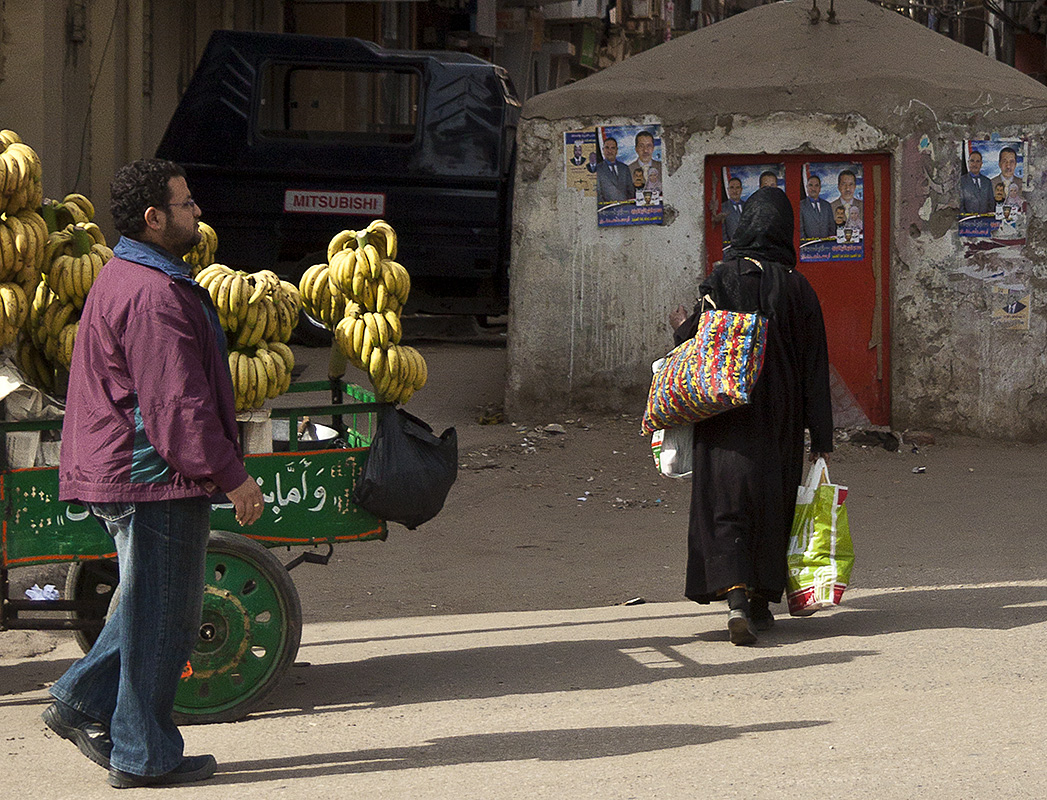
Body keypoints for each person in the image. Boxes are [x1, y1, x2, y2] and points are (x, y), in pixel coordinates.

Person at [43, 159, 265, 788]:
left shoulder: (130, 276)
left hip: (139, 472)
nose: (196, 213)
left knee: (148, 606)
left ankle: (108, 724)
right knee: (161, 615)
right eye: (186, 203)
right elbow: (176, 410)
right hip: (151, 475)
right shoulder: (151, 294)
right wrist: (232, 475)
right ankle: (128, 741)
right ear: (154, 218)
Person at [668, 187, 833, 645]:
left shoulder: (721, 279)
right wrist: (820, 432)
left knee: (726, 501)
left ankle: (736, 598)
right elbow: (815, 364)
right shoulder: (799, 289)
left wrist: (680, 325)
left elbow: (695, 346)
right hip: (778, 416)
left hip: (724, 414)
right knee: (771, 501)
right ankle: (761, 602)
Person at [595, 137, 633, 203]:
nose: (610, 151)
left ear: (617, 150)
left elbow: (631, 191)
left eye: (613, 148)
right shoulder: (597, 169)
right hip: (606, 209)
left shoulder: (625, 168)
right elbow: (598, 193)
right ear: (603, 149)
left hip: (625, 209)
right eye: (607, 148)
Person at [799, 174, 835, 239]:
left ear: (820, 188)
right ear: (806, 187)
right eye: (810, 185)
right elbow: (800, 228)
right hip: (808, 246)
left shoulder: (827, 205)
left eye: (816, 185)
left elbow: (832, 227)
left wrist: (828, 242)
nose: (813, 188)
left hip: (826, 245)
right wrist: (806, 243)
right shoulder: (801, 205)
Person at [720, 177, 745, 243]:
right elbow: (722, 231)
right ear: (728, 190)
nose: (735, 191)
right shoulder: (722, 208)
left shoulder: (747, 206)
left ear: (741, 189)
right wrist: (728, 245)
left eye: (737, 187)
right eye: (732, 187)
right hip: (731, 248)